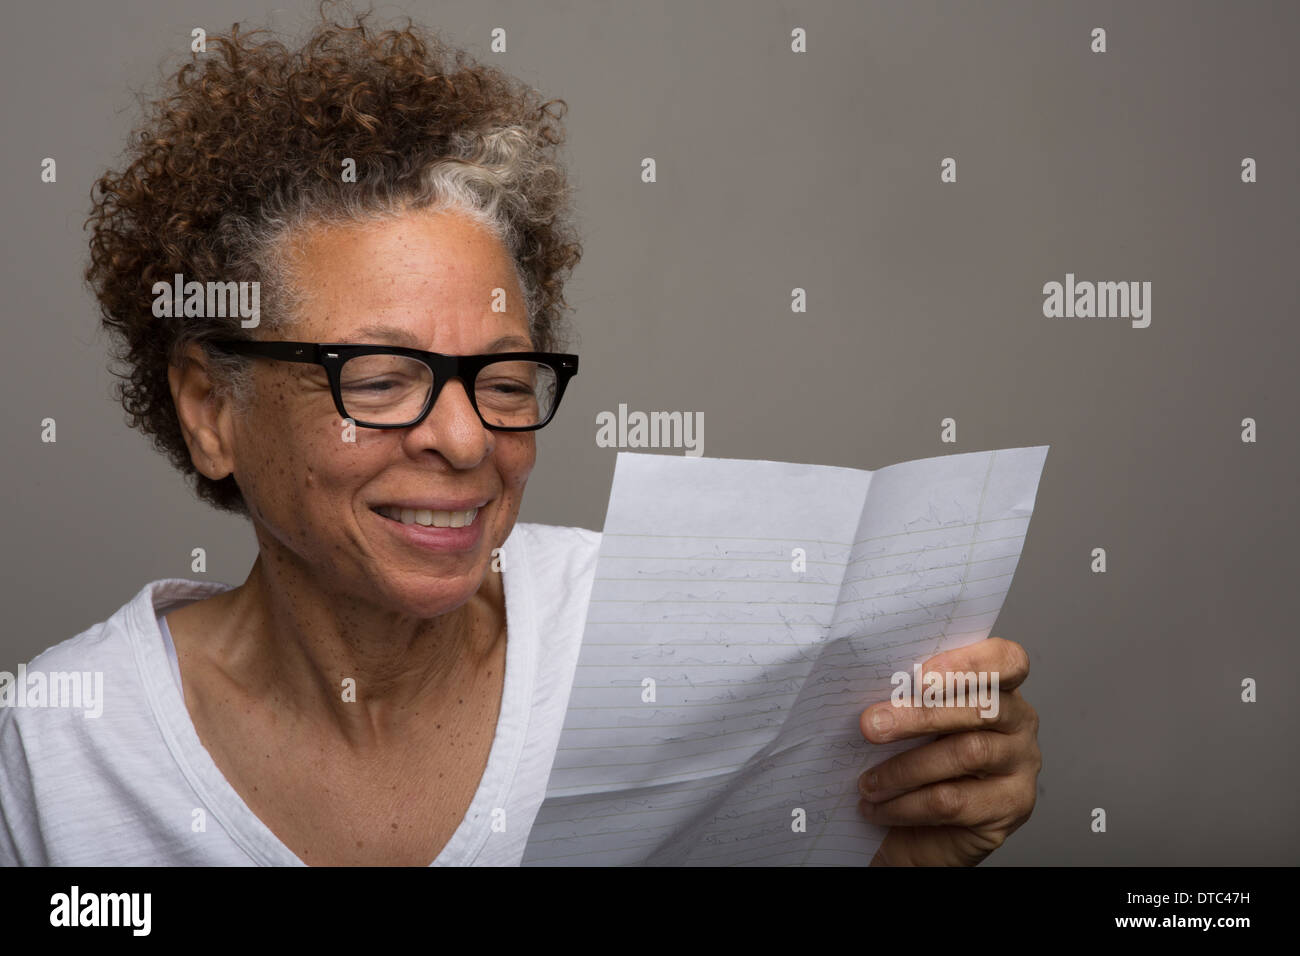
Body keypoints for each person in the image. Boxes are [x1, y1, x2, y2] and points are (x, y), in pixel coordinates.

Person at [0, 9, 1039, 867]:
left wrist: (912, 853)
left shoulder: (667, 647)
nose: (465, 439)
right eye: (382, 376)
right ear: (208, 407)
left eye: (502, 377)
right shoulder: (62, 742)